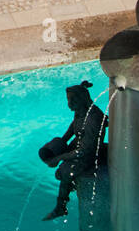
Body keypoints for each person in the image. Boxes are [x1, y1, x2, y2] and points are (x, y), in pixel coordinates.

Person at [42, 80, 106, 220]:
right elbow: (74, 125)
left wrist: (59, 158)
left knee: (65, 172)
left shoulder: (92, 118)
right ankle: (63, 200)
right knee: (54, 155)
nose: (69, 103)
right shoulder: (81, 110)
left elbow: (84, 151)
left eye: (72, 99)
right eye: (68, 99)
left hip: (91, 154)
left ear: (81, 99)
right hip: (79, 145)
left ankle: (61, 207)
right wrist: (63, 140)